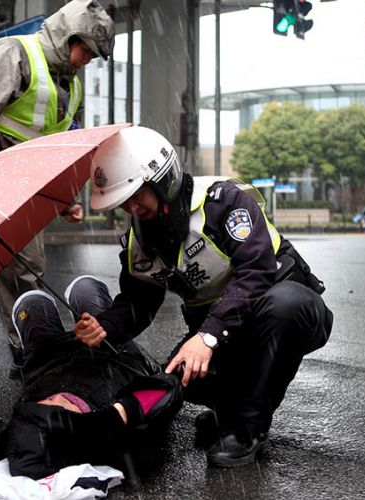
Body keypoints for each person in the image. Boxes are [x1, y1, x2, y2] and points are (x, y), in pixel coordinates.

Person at [74, 126, 333, 467]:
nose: (132, 207)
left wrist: (207, 337)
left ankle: (248, 429)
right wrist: (104, 326)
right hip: (226, 330)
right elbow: (138, 304)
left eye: (137, 194)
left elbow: (256, 273)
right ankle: (231, 409)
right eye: (124, 201)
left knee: (282, 307)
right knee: (177, 376)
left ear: (161, 179)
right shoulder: (141, 242)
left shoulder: (223, 202)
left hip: (286, 311)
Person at [0, 0, 115, 407]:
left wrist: (67, 199)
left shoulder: (71, 85)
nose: (89, 62)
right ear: (71, 38)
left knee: (27, 272)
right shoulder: (12, 55)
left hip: (20, 190)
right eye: (88, 52)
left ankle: (30, 350)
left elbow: (57, 149)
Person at [0, 276, 183, 480]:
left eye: (38, 408)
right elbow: (169, 387)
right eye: (57, 411)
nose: (51, 401)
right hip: (113, 353)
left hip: (49, 359)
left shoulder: (17, 441)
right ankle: (89, 300)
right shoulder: (113, 434)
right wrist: (121, 414)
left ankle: (42, 312)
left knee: (31, 303)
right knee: (86, 291)